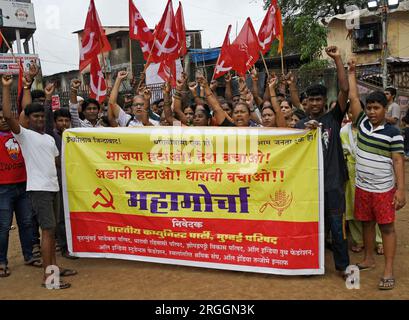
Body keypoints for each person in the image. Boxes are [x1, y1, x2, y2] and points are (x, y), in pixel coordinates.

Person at [2, 75, 77, 289]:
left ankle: (53, 267)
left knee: (51, 232)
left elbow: (58, 162)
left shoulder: (49, 139)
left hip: (53, 188)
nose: (39, 120)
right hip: (40, 190)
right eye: (35, 117)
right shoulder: (24, 136)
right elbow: (8, 115)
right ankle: (49, 277)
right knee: (47, 231)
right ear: (27, 119)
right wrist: (6, 88)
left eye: (42, 117)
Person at [348, 59, 405, 290]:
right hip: (363, 188)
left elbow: (398, 160)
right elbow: (353, 98)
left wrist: (400, 189)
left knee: (388, 228)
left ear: (385, 108)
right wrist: (351, 73)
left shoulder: (393, 132)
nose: (371, 112)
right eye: (369, 107)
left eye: (376, 108)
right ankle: (369, 259)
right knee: (367, 224)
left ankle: (388, 269)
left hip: (383, 190)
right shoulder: (361, 123)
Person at [295, 46, 350, 278]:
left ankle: (343, 267)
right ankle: (308, 264)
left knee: (337, 228)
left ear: (324, 101)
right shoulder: (298, 127)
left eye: (319, 99)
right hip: (308, 187)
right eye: (311, 100)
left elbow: (345, 89)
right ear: (304, 103)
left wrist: (337, 59)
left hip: (333, 183)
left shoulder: (333, 118)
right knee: (310, 228)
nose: (315, 103)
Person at [0, 106, 40, 277]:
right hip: (3, 189)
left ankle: (29, 256)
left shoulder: (21, 134)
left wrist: (26, 86)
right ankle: (1, 261)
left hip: (23, 186)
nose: (3, 120)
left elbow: (25, 108)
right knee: (2, 227)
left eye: (5, 117)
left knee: (26, 223)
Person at [340, 110, 384, 255]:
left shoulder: (369, 130)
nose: (353, 115)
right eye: (349, 112)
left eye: (355, 112)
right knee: (352, 208)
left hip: (368, 172)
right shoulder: (343, 132)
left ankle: (379, 241)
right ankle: (359, 240)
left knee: (372, 209)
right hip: (350, 172)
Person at [50, 108, 78, 260]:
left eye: (66, 120)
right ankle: (65, 247)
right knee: (61, 216)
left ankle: (76, 243)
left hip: (74, 181)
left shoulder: (74, 136)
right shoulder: (51, 136)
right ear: (54, 122)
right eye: (60, 120)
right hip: (59, 181)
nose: (64, 123)